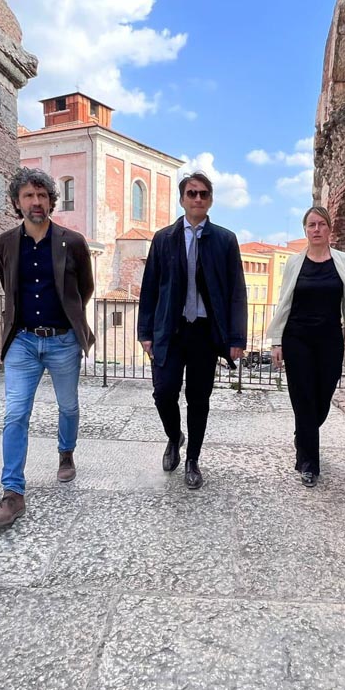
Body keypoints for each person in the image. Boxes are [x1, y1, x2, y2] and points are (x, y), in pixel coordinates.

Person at [0, 167, 95, 528]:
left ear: (51, 200)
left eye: (42, 195)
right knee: (15, 414)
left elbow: (85, 288)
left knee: (68, 405)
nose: (36, 202)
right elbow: (8, 285)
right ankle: (12, 493)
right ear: (17, 202)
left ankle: (66, 453)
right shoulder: (5, 243)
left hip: (63, 341)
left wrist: (68, 317)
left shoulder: (72, 242)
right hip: (22, 340)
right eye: (29, 196)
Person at [138, 171, 247, 489]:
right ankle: (175, 437)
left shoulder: (225, 240)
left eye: (203, 194)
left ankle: (192, 460)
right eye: (191, 193)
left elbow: (236, 291)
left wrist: (236, 338)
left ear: (210, 200)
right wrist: (145, 332)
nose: (197, 198)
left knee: (199, 398)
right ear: (182, 199)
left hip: (204, 333)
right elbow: (150, 288)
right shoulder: (164, 238)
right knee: (163, 393)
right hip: (170, 331)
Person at [266, 205, 345, 487]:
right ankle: (309, 463)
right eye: (311, 225)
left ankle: (303, 434)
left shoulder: (344, 261)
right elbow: (284, 303)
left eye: (321, 224)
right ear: (305, 230)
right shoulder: (294, 263)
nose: (316, 229)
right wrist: (277, 341)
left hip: (330, 339)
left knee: (322, 400)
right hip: (297, 338)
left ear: (329, 229)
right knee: (303, 399)